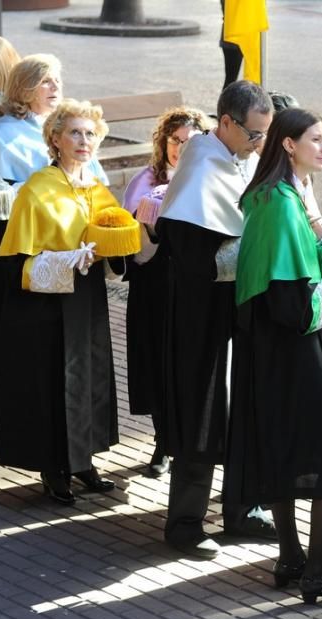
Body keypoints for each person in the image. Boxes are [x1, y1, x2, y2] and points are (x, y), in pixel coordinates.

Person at [230, 107, 322, 602]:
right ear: (288, 144)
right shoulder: (283, 201)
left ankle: (290, 558)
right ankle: (318, 571)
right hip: (294, 344)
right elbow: (290, 300)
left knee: (283, 449)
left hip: (266, 347)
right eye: (317, 139)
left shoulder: (271, 194)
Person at [157, 81, 275, 560]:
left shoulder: (239, 155)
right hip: (200, 318)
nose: (259, 144)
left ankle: (242, 508)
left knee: (245, 404)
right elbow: (189, 255)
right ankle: (184, 522)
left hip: (240, 309)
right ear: (225, 122)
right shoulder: (202, 164)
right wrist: (253, 251)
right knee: (201, 410)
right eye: (253, 134)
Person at [0, 99, 121, 505]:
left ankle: (82, 460)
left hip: (86, 296)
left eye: (90, 134)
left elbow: (114, 238)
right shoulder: (35, 188)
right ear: (55, 139)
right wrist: (68, 258)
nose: (84, 141)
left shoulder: (97, 187)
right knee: (53, 380)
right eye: (75, 133)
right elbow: (16, 262)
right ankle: (54, 468)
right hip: (46, 302)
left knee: (89, 376)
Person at [121, 107, 212, 478]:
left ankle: (185, 441)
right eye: (175, 140)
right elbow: (130, 240)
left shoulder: (206, 178)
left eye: (189, 142)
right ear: (164, 142)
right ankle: (162, 442)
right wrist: (149, 225)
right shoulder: (147, 180)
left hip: (190, 286)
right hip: (153, 285)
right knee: (156, 361)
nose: (180, 148)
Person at [0, 54, 106, 184]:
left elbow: (98, 182)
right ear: (25, 88)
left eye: (57, 80)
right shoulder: (0, 134)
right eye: (46, 81)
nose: (55, 87)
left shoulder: (70, 125)